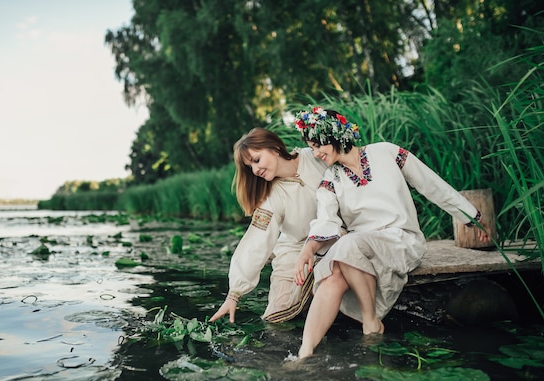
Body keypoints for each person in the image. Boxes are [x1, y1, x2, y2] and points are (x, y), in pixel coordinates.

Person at [292, 106, 491, 358]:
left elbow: (430, 183)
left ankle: (370, 322)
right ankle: (304, 352)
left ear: (334, 135)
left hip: (401, 240)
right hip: (359, 250)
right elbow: (325, 219)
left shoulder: (387, 152)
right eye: (311, 148)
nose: (316, 153)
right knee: (333, 275)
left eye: (318, 145)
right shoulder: (331, 179)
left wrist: (470, 216)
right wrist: (307, 251)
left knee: (348, 246)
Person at [209, 127, 328, 324]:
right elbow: (256, 240)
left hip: (334, 236)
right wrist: (234, 295)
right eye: (250, 168)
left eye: (256, 160)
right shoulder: (271, 198)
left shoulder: (312, 157)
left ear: (273, 148)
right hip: (295, 249)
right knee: (275, 318)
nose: (255, 170)